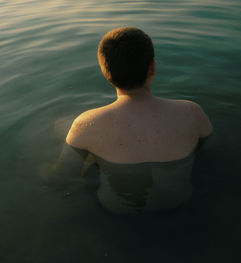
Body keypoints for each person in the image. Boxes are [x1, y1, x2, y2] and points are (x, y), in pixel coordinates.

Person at [40, 27, 213, 214]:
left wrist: (43, 171)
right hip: (178, 201)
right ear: (153, 67)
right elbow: (212, 155)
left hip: (116, 208)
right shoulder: (191, 112)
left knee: (66, 129)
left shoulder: (85, 124)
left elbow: (63, 177)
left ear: (105, 72)